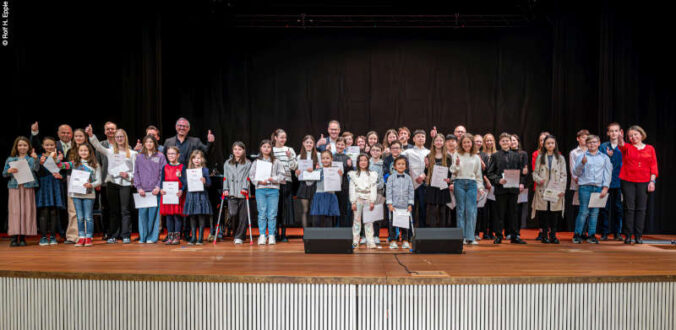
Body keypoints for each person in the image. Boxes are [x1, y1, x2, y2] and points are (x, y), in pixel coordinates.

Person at [87, 125, 137, 244]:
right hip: (112, 183)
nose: (119, 138)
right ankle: (113, 235)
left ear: (125, 138)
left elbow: (135, 172)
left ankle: (125, 235)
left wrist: (128, 176)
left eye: (121, 136)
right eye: (117, 137)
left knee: (125, 210)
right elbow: (97, 146)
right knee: (113, 211)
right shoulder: (109, 151)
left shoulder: (132, 153)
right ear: (114, 138)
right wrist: (91, 135)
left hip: (125, 184)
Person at [618, 125, 658, 244]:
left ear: (641, 134)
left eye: (635, 134)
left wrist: (652, 181)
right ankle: (628, 235)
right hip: (628, 180)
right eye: (630, 136)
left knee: (641, 209)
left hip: (644, 181)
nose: (633, 137)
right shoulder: (627, 147)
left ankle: (638, 236)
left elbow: (654, 166)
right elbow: (621, 145)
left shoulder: (650, 148)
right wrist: (620, 138)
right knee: (629, 208)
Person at [56, 144, 102, 247]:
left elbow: (99, 181)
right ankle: (81, 237)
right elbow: (60, 166)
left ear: (90, 152)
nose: (83, 152)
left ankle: (89, 238)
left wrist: (92, 184)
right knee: (80, 217)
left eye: (86, 150)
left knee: (88, 217)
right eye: (81, 150)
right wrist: (58, 159)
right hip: (76, 193)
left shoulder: (95, 164)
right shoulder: (74, 163)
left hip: (89, 194)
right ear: (78, 152)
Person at [487, 133, 527, 244]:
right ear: (499, 143)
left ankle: (514, 236)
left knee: (513, 213)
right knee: (500, 213)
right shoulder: (495, 156)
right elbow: (490, 173)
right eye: (503, 141)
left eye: (507, 141)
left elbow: (522, 173)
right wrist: (498, 180)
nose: (505, 143)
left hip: (513, 189)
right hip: (501, 189)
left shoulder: (517, 156)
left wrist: (521, 182)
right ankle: (499, 236)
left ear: (510, 142)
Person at [572, 135, 612, 244]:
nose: (592, 144)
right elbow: (575, 172)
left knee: (594, 212)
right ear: (586, 144)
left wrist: (605, 188)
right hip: (585, 187)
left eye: (594, 142)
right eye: (589, 142)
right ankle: (577, 234)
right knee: (583, 211)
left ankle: (591, 235)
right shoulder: (582, 156)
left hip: (598, 187)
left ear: (599, 143)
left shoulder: (604, 157)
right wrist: (582, 163)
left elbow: (607, 174)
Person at [3, 137, 40, 246]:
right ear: (16, 147)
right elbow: (4, 174)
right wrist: (9, 171)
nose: (22, 147)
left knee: (26, 211)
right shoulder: (10, 159)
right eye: (20, 145)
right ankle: (14, 238)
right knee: (15, 212)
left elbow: (37, 169)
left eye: (25, 145)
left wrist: (36, 159)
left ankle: (23, 237)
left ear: (28, 147)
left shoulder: (31, 159)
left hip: (28, 187)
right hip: (15, 187)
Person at [531, 135, 566, 244]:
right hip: (543, 188)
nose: (550, 145)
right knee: (544, 213)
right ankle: (544, 235)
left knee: (554, 213)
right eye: (548, 143)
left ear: (555, 145)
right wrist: (539, 180)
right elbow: (534, 173)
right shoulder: (540, 157)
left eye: (552, 143)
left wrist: (562, 189)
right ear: (544, 145)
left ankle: (553, 236)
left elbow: (563, 175)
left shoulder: (560, 158)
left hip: (555, 189)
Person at [249, 140, 285, 245]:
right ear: (261, 148)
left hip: (273, 189)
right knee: (262, 213)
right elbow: (251, 175)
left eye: (268, 147)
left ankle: (272, 235)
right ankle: (262, 235)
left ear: (271, 149)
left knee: (272, 213)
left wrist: (272, 179)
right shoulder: (256, 162)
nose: (266, 149)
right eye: (264, 146)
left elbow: (282, 175)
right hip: (260, 189)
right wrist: (259, 181)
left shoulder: (276, 161)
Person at [450, 134, 485, 245]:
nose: (466, 144)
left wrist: (480, 187)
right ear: (461, 144)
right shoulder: (456, 154)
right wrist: (457, 165)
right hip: (459, 183)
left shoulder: (476, 157)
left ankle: (470, 237)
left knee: (471, 210)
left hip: (472, 184)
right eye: (464, 142)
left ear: (472, 143)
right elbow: (453, 171)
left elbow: (478, 174)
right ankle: (462, 237)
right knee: (461, 210)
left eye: (468, 142)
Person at [133, 135, 167, 244]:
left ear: (154, 143)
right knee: (142, 215)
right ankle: (143, 237)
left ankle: (152, 237)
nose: (149, 144)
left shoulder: (160, 156)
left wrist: (158, 186)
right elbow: (136, 173)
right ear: (144, 144)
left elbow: (163, 173)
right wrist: (138, 187)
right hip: (143, 191)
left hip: (154, 191)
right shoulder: (139, 156)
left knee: (154, 215)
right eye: (147, 142)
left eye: (151, 142)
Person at [35, 137, 66, 245]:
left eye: (51, 145)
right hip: (44, 185)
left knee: (54, 211)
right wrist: (43, 162)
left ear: (55, 146)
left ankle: (53, 236)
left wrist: (58, 161)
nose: (49, 147)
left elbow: (63, 172)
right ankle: (43, 237)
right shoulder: (39, 157)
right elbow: (39, 173)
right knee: (44, 211)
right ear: (43, 146)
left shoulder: (60, 157)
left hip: (55, 185)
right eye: (47, 145)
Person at [223, 142, 252, 245]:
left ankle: (240, 236)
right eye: (235, 149)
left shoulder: (248, 163)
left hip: (242, 192)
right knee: (233, 213)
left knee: (243, 215)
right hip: (231, 192)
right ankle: (236, 234)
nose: (237, 151)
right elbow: (225, 177)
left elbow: (248, 177)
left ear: (243, 150)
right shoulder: (227, 163)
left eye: (239, 149)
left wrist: (245, 187)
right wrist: (225, 189)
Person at [599, 123, 624, 241]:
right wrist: (608, 157)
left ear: (620, 132)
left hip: (619, 182)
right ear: (608, 133)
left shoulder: (624, 146)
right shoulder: (603, 146)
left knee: (618, 208)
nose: (614, 133)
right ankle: (604, 232)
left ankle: (617, 232)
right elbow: (600, 162)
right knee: (604, 208)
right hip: (605, 182)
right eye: (611, 131)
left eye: (616, 131)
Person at [272, 129, 297, 242]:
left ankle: (284, 234)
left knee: (285, 208)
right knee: (275, 208)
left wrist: (290, 157)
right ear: (276, 137)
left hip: (286, 182)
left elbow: (294, 167)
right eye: (281, 137)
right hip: (274, 183)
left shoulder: (289, 149)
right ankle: (275, 233)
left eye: (285, 137)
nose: (283, 139)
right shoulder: (271, 150)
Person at [349, 154, 379, 248]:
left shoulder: (372, 174)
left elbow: (373, 188)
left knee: (369, 221)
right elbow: (352, 189)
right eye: (361, 160)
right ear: (358, 162)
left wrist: (372, 201)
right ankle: (355, 241)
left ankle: (370, 241)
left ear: (368, 162)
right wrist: (353, 202)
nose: (363, 162)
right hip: (357, 199)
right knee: (356, 221)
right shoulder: (353, 174)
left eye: (365, 160)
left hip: (368, 199)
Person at [401, 129, 430, 227]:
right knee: (410, 208)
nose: (421, 138)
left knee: (423, 208)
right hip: (410, 184)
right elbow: (399, 161)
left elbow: (431, 167)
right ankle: (409, 231)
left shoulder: (429, 152)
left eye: (423, 136)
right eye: (418, 136)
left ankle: (422, 230)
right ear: (413, 139)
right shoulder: (407, 152)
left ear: (425, 139)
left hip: (423, 184)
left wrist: (424, 175)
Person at [184, 150, 212, 245]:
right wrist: (180, 177)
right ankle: (193, 238)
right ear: (191, 159)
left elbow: (209, 184)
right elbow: (185, 184)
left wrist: (205, 181)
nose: (196, 160)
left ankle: (200, 237)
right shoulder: (188, 170)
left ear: (202, 159)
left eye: (198, 158)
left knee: (201, 216)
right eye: (194, 158)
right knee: (192, 217)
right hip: (191, 195)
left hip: (201, 195)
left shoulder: (205, 170)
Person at [386, 156, 415, 249]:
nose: (401, 166)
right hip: (394, 205)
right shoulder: (391, 178)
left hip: (405, 205)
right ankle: (393, 240)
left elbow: (411, 191)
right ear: (394, 166)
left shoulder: (409, 178)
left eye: (403, 164)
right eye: (399, 164)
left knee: (405, 224)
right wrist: (389, 204)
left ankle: (405, 240)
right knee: (393, 224)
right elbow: (388, 191)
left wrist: (410, 204)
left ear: (406, 166)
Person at [159, 147, 186, 245]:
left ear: (178, 155)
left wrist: (182, 190)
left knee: (176, 216)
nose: (171, 155)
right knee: (169, 216)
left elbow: (185, 183)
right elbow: (162, 180)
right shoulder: (165, 167)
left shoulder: (182, 167)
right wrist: (161, 189)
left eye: (173, 153)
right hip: (167, 195)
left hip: (177, 195)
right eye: (169, 154)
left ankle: (177, 237)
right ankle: (170, 237)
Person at [310, 151, 343, 227]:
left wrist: (340, 176)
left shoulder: (335, 170)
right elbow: (309, 183)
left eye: (327, 158)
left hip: (330, 195)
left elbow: (339, 184)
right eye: (323, 158)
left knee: (328, 219)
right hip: (319, 195)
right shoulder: (318, 170)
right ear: (321, 160)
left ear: (331, 159)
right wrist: (311, 173)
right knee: (317, 220)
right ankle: (316, 237)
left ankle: (328, 237)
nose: (325, 160)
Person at [425, 134, 451, 227]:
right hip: (432, 186)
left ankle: (442, 231)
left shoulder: (448, 156)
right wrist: (426, 166)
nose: (439, 142)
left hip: (443, 186)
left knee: (442, 210)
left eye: (441, 140)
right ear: (434, 143)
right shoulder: (428, 156)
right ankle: (432, 232)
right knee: (432, 210)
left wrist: (449, 179)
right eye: (437, 140)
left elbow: (450, 172)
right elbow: (426, 171)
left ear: (443, 143)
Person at [295, 135, 321, 228]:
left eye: (311, 142)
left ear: (313, 144)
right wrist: (297, 173)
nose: (309, 144)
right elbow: (297, 173)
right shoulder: (299, 157)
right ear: (303, 143)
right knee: (305, 210)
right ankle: (305, 233)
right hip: (304, 185)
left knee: (314, 210)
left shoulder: (318, 155)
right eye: (307, 142)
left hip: (315, 185)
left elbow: (322, 170)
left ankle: (314, 233)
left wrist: (316, 170)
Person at [569, 129, 589, 235]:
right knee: (579, 208)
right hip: (578, 183)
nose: (585, 139)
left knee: (588, 208)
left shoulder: (591, 151)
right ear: (578, 139)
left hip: (590, 183)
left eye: (587, 137)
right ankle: (578, 232)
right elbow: (573, 169)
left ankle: (585, 232)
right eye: (583, 137)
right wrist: (577, 179)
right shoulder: (574, 152)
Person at [510, 134, 530, 239]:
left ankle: (517, 232)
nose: (512, 142)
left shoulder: (523, 154)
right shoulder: (506, 153)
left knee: (518, 210)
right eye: (510, 140)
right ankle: (509, 232)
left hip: (519, 184)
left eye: (514, 140)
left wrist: (522, 183)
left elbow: (525, 170)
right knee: (509, 210)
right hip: (508, 184)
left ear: (518, 141)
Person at [332, 137, 352, 227]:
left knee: (343, 208)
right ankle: (334, 228)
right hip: (332, 186)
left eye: (342, 144)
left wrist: (349, 166)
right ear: (336, 145)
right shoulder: (331, 156)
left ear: (345, 146)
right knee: (334, 207)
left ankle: (343, 228)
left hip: (344, 186)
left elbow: (351, 173)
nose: (340, 146)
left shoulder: (347, 158)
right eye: (338, 144)